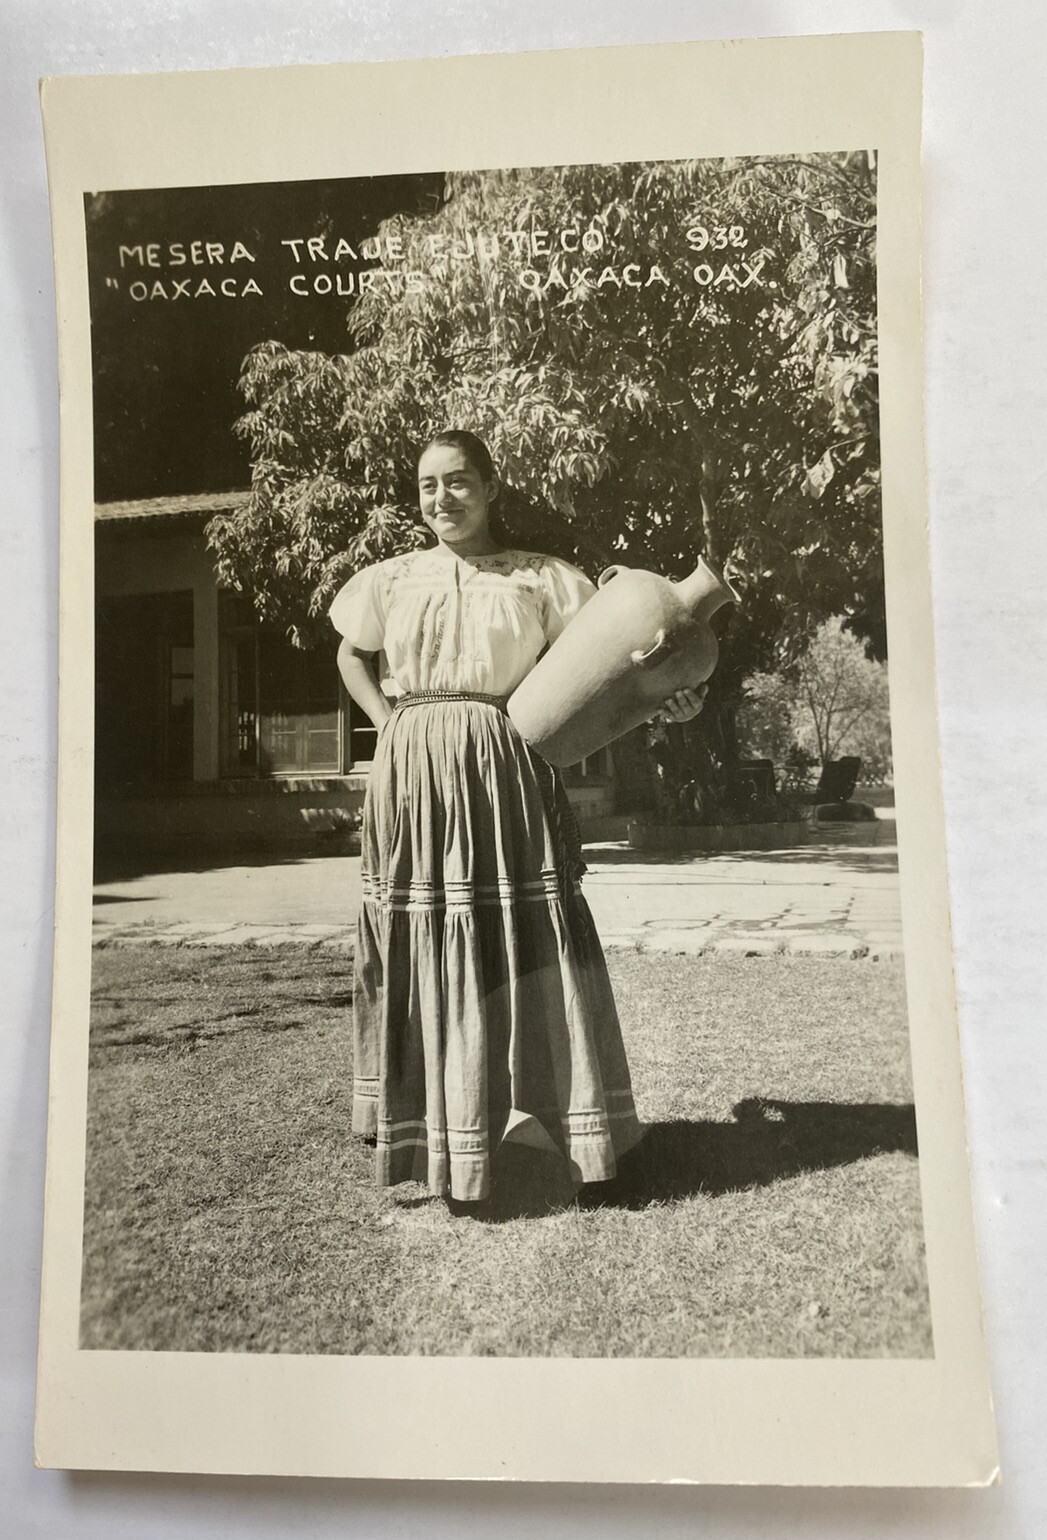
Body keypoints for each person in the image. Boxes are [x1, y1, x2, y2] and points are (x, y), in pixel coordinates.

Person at [331, 429, 706, 1208]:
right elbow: (349, 653)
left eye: (460, 481)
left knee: (523, 936)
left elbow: (606, 669)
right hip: (412, 770)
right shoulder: (390, 579)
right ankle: (440, 1140)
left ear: (493, 485)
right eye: (428, 485)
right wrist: (387, 723)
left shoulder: (543, 579)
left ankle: (573, 1133)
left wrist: (665, 698)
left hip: (506, 762)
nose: (442, 499)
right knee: (427, 935)